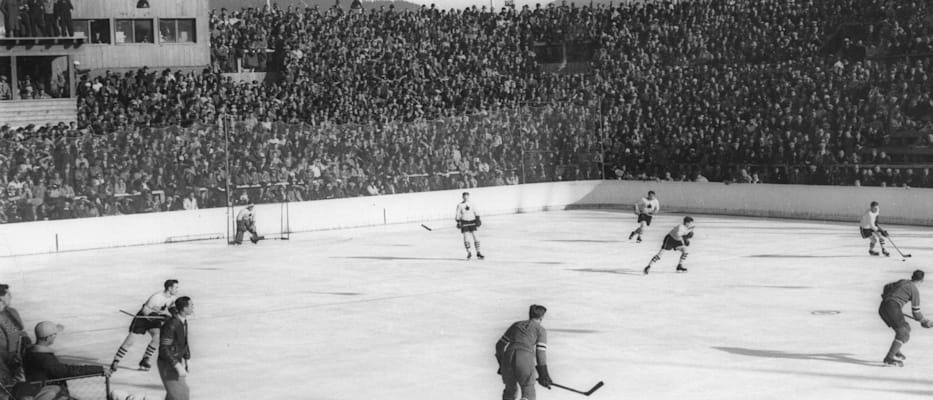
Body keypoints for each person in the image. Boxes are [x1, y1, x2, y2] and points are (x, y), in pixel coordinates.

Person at [16, 321, 109, 399]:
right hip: (51, 395)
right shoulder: (44, 359)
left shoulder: (29, 352)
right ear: (48, 338)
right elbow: (67, 371)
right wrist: (99, 370)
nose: (55, 337)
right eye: (54, 335)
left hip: (39, 391)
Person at [110, 279, 180, 372]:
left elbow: (171, 309)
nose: (177, 290)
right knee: (130, 341)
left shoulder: (172, 298)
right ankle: (116, 360)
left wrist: (172, 316)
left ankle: (145, 360)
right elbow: (145, 310)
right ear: (169, 288)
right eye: (176, 287)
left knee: (157, 338)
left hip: (154, 320)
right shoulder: (156, 297)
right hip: (142, 319)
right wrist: (153, 316)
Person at [495, 304, 552, 400]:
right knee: (528, 392)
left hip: (508, 357)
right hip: (524, 358)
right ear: (542, 317)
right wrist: (544, 375)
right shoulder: (540, 330)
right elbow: (540, 353)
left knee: (510, 391)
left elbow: (499, 345)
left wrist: (502, 365)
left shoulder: (516, 325)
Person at [879, 270, 932, 367]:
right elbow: (916, 313)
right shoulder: (914, 290)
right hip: (893, 308)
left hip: (883, 307)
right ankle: (889, 358)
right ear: (922, 280)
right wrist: (924, 321)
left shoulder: (903, 281)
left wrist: (885, 297)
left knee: (906, 328)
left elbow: (886, 286)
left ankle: (895, 351)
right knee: (903, 333)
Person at [159, 296, 193, 400]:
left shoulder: (182, 321)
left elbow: (184, 341)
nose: (193, 308)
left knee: (176, 395)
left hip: (175, 360)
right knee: (181, 395)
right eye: (191, 305)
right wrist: (176, 365)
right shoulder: (171, 324)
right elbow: (164, 349)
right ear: (184, 308)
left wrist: (187, 358)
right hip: (168, 363)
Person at [0, 284, 30, 391]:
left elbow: (20, 331)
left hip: (17, 360)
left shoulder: (12, 312)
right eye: (7, 294)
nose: (10, 296)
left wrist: (26, 341)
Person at [455, 192, 484, 260]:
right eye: (464, 196)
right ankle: (469, 252)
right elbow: (457, 214)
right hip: (464, 222)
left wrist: (478, 219)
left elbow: (476, 212)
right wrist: (458, 222)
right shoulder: (459, 205)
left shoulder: (472, 204)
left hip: (472, 221)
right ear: (462, 197)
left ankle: (478, 252)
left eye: (467, 196)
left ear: (468, 197)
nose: (465, 198)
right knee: (466, 238)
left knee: (476, 237)